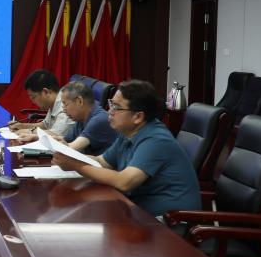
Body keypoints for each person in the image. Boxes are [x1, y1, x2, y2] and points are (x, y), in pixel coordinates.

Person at [53, 80, 200, 217]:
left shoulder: (156, 140)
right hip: (138, 211)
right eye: (111, 104)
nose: (109, 111)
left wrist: (75, 165)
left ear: (138, 117)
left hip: (171, 220)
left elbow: (124, 182)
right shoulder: (128, 132)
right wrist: (71, 156)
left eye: (116, 107)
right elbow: (102, 162)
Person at [9, 69, 73, 141]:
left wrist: (29, 131)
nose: (33, 102)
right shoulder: (53, 102)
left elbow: (56, 134)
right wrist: (22, 126)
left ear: (46, 92)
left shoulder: (65, 105)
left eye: (33, 97)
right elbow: (45, 125)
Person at [59, 81, 116, 155]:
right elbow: (66, 139)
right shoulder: (80, 118)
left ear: (79, 101)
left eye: (65, 104)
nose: (64, 110)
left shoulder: (99, 120)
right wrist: (54, 139)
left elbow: (70, 148)